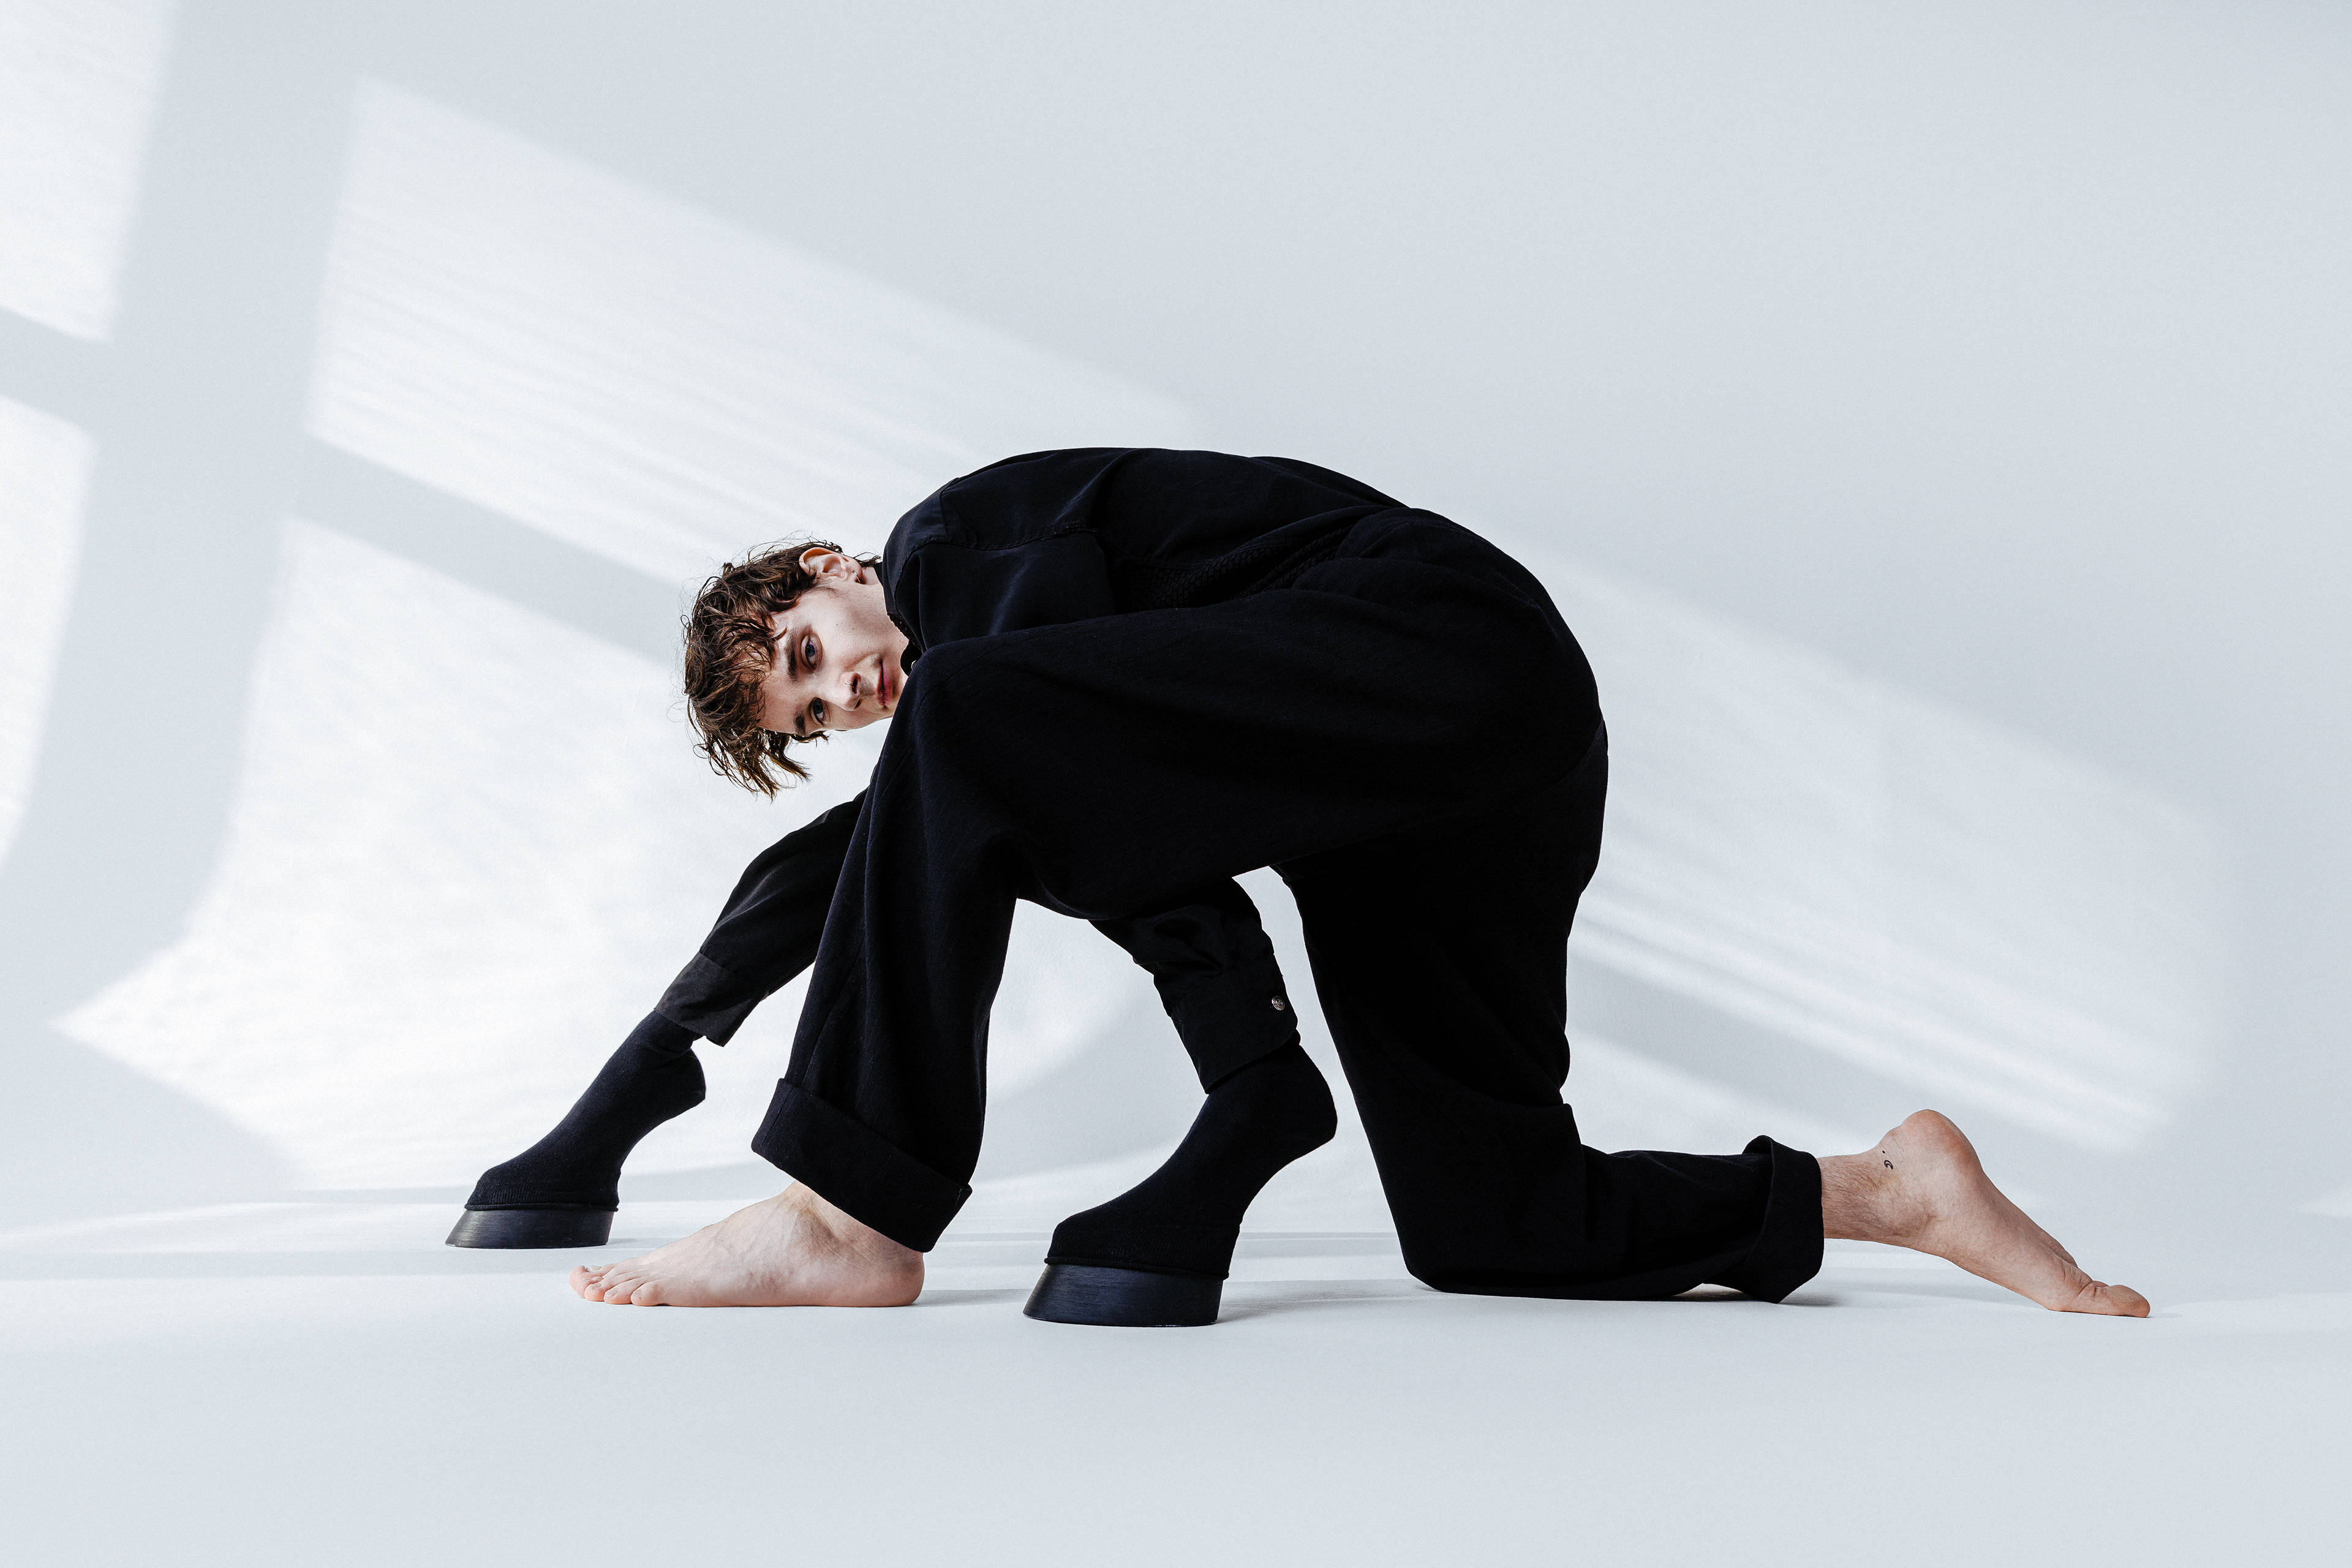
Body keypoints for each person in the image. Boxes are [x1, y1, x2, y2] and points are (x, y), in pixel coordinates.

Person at [450, 448, 2150, 1324]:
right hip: (1445, 781)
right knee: (1490, 1225)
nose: (849, 695)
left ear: (833, 570)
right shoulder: (1011, 709)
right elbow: (1125, 839)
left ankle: (848, 1214)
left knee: (966, 731)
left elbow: (1110, 831)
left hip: (1436, 643)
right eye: (816, 715)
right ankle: (1889, 1192)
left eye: (817, 654)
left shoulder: (964, 551)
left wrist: (1247, 1073)